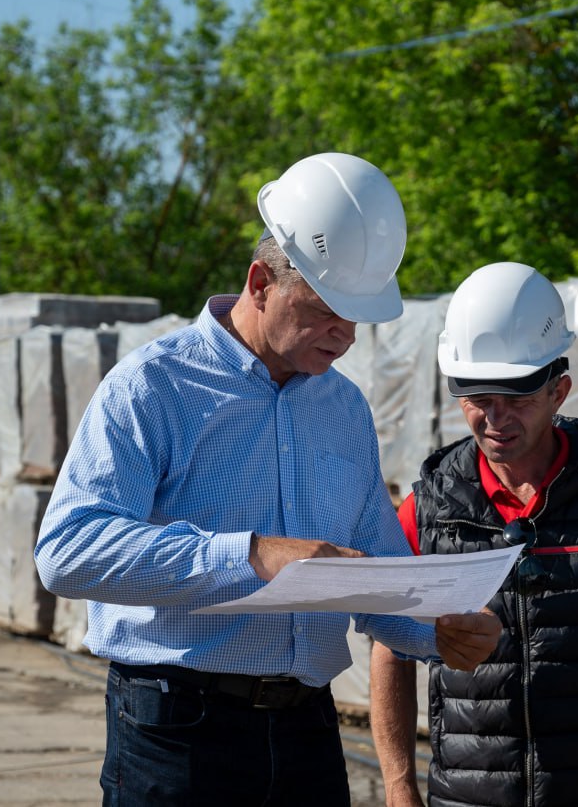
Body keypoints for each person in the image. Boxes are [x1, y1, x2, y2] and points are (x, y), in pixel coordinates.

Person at [34, 152, 502, 806]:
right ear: (261, 282)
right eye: (325, 311)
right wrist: (253, 553)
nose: (344, 336)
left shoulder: (343, 409)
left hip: (305, 731)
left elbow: (373, 569)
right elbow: (68, 553)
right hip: (176, 733)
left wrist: (438, 630)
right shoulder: (153, 387)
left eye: (357, 317)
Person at [370, 261, 578, 807]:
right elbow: (390, 649)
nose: (495, 418)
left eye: (518, 398)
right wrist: (397, 786)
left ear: (560, 391)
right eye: (478, 398)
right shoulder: (428, 510)